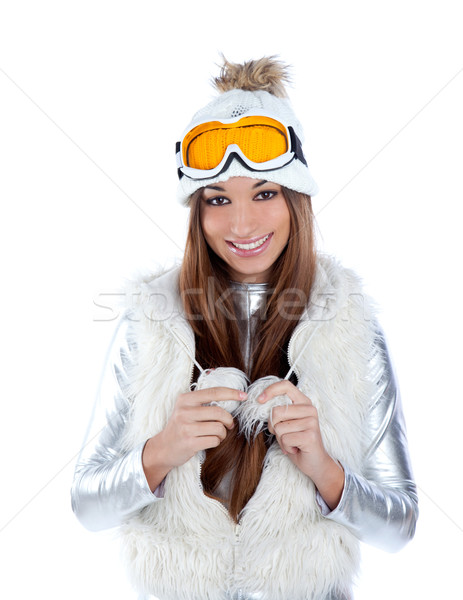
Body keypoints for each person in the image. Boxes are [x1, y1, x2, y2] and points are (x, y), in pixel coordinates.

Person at [71, 56, 418, 600]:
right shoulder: (152, 322)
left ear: (295, 199)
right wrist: (161, 450)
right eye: (217, 199)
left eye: (264, 194)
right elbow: (86, 506)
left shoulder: (348, 325)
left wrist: (325, 468)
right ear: (197, 211)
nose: (241, 225)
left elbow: (400, 526)